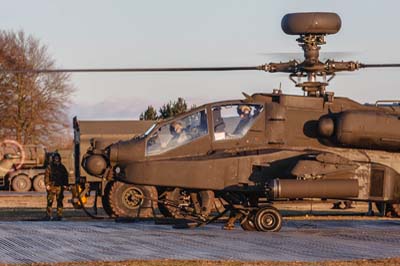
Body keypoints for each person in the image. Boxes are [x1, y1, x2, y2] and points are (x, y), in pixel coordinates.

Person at [44, 152, 69, 221]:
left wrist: (65, 185)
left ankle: (59, 215)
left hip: (59, 187)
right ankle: (48, 216)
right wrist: (47, 184)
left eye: (57, 158)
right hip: (51, 187)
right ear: (53, 159)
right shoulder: (50, 167)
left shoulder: (62, 167)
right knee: (50, 201)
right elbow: (46, 176)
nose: (56, 159)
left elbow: (65, 176)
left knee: (60, 201)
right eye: (55, 158)